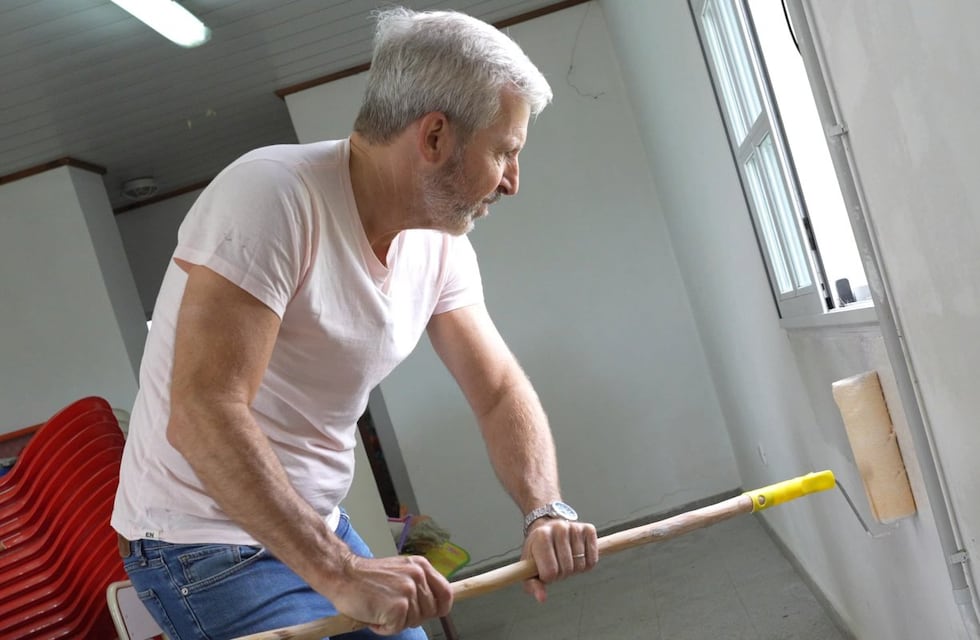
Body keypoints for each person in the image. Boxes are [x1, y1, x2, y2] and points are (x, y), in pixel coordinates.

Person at [111, 6, 598, 639]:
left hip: (314, 523)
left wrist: (545, 510)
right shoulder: (272, 197)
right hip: (200, 544)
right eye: (504, 152)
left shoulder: (440, 243)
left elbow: (499, 389)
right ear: (434, 138)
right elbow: (205, 412)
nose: (512, 181)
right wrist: (341, 573)